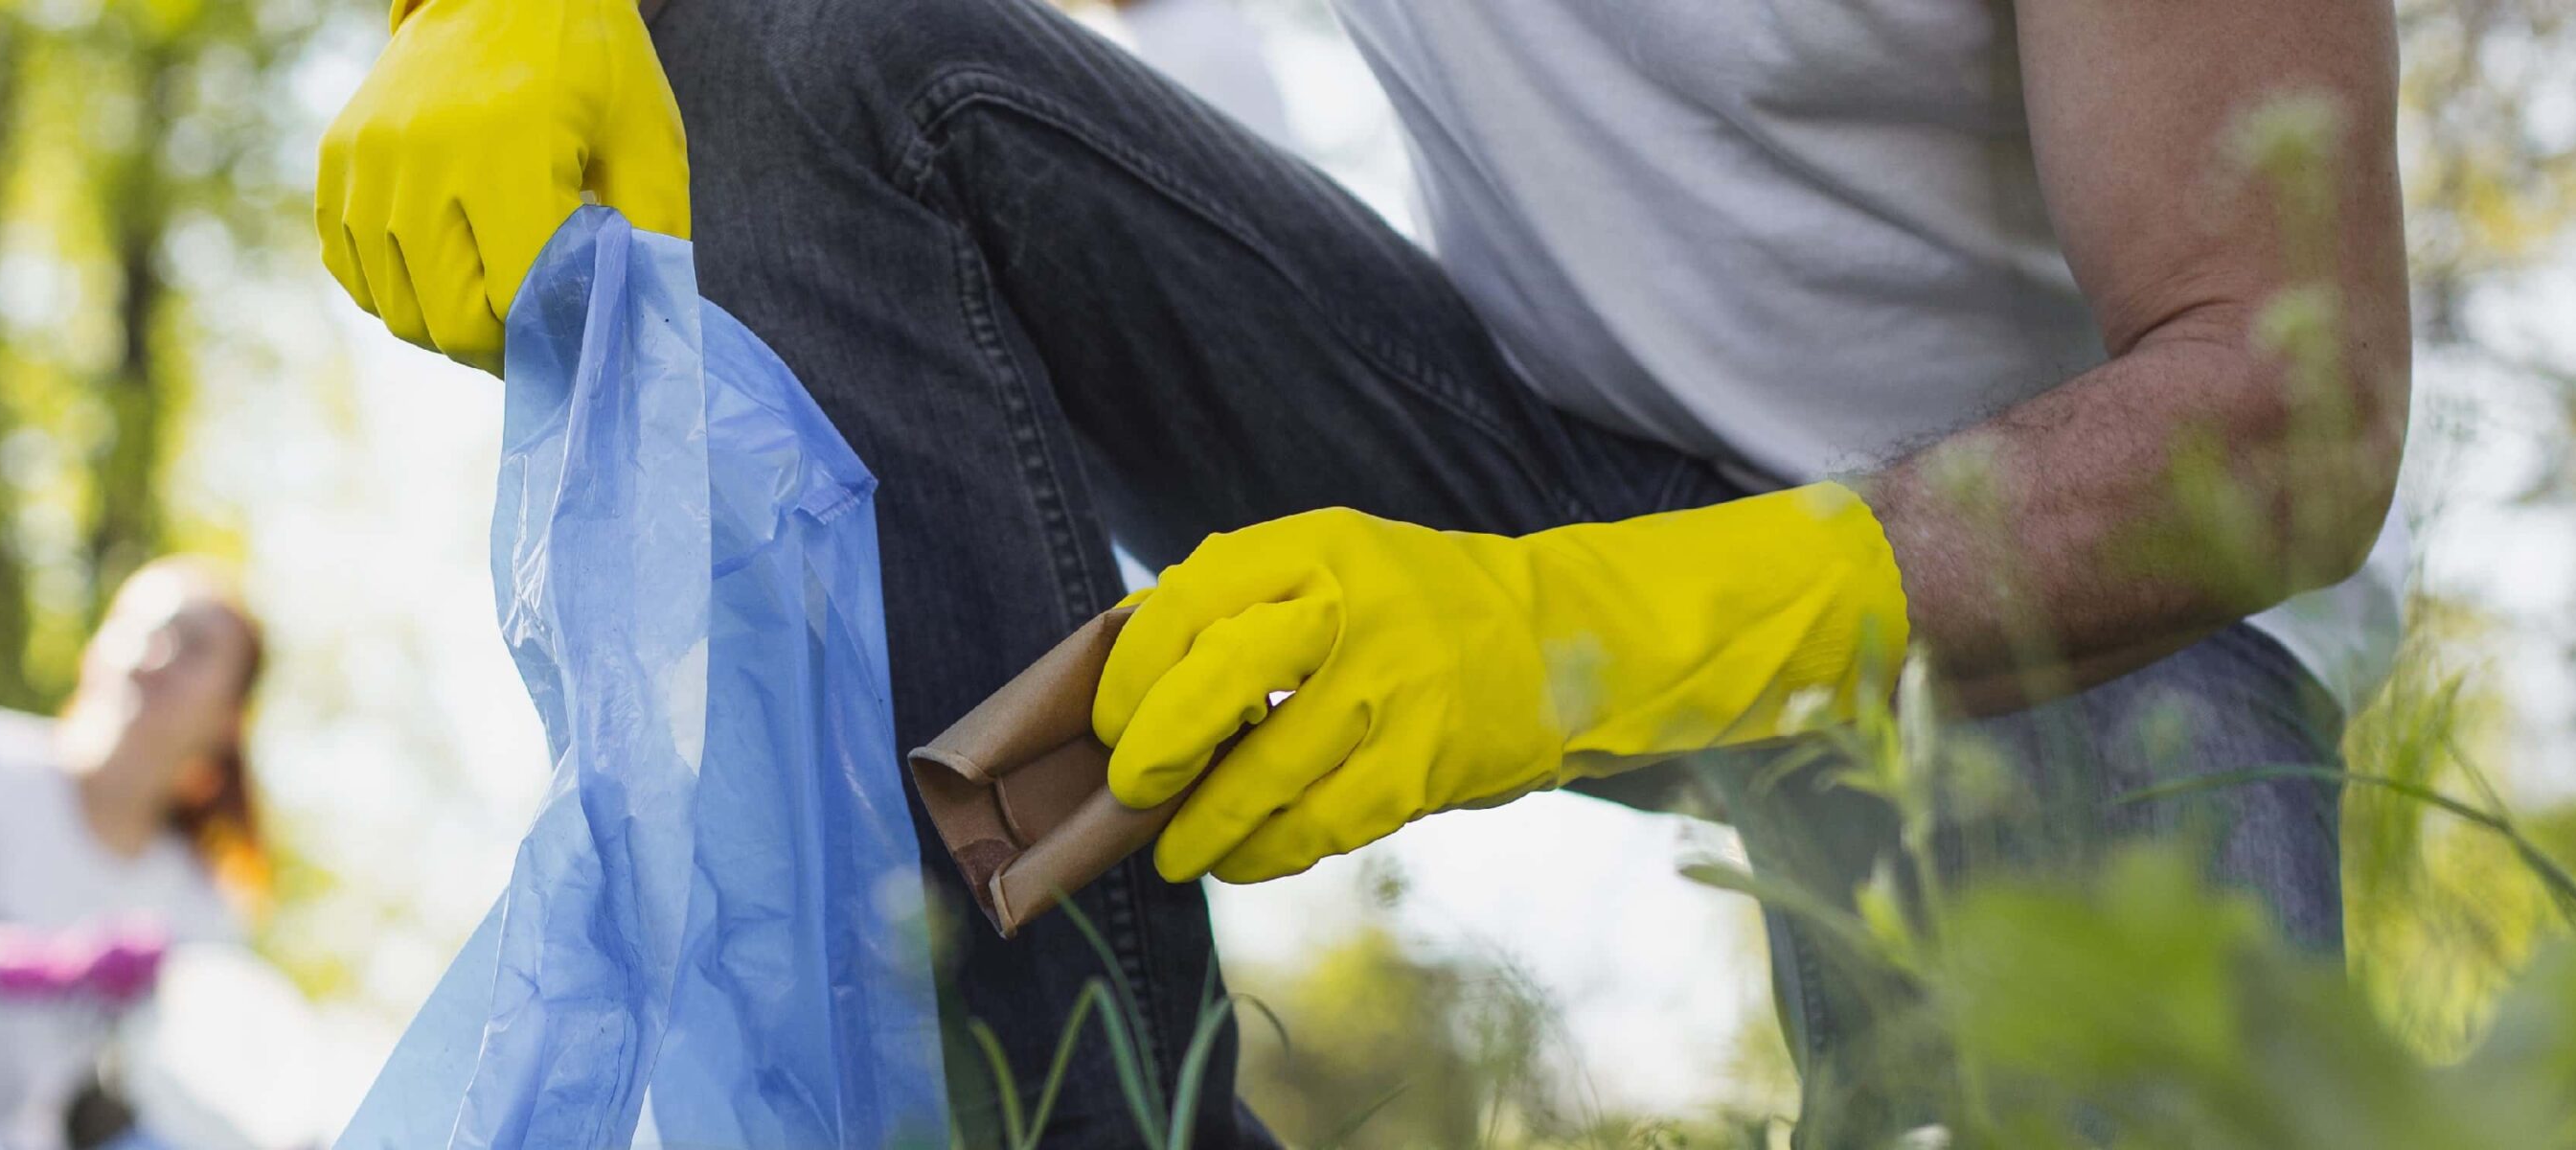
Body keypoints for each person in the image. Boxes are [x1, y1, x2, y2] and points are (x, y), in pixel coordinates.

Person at [313, 0, 2408, 1144]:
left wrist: (1562, 645)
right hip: (1508, 456)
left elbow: (2276, 411)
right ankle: (1070, 1119)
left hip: (2059, 604)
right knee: (785, 56)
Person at [0, 558, 277, 1150]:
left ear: (230, 720)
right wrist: (33, 964)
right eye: (144, 629)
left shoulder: (203, 912)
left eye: (194, 649)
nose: (155, 658)